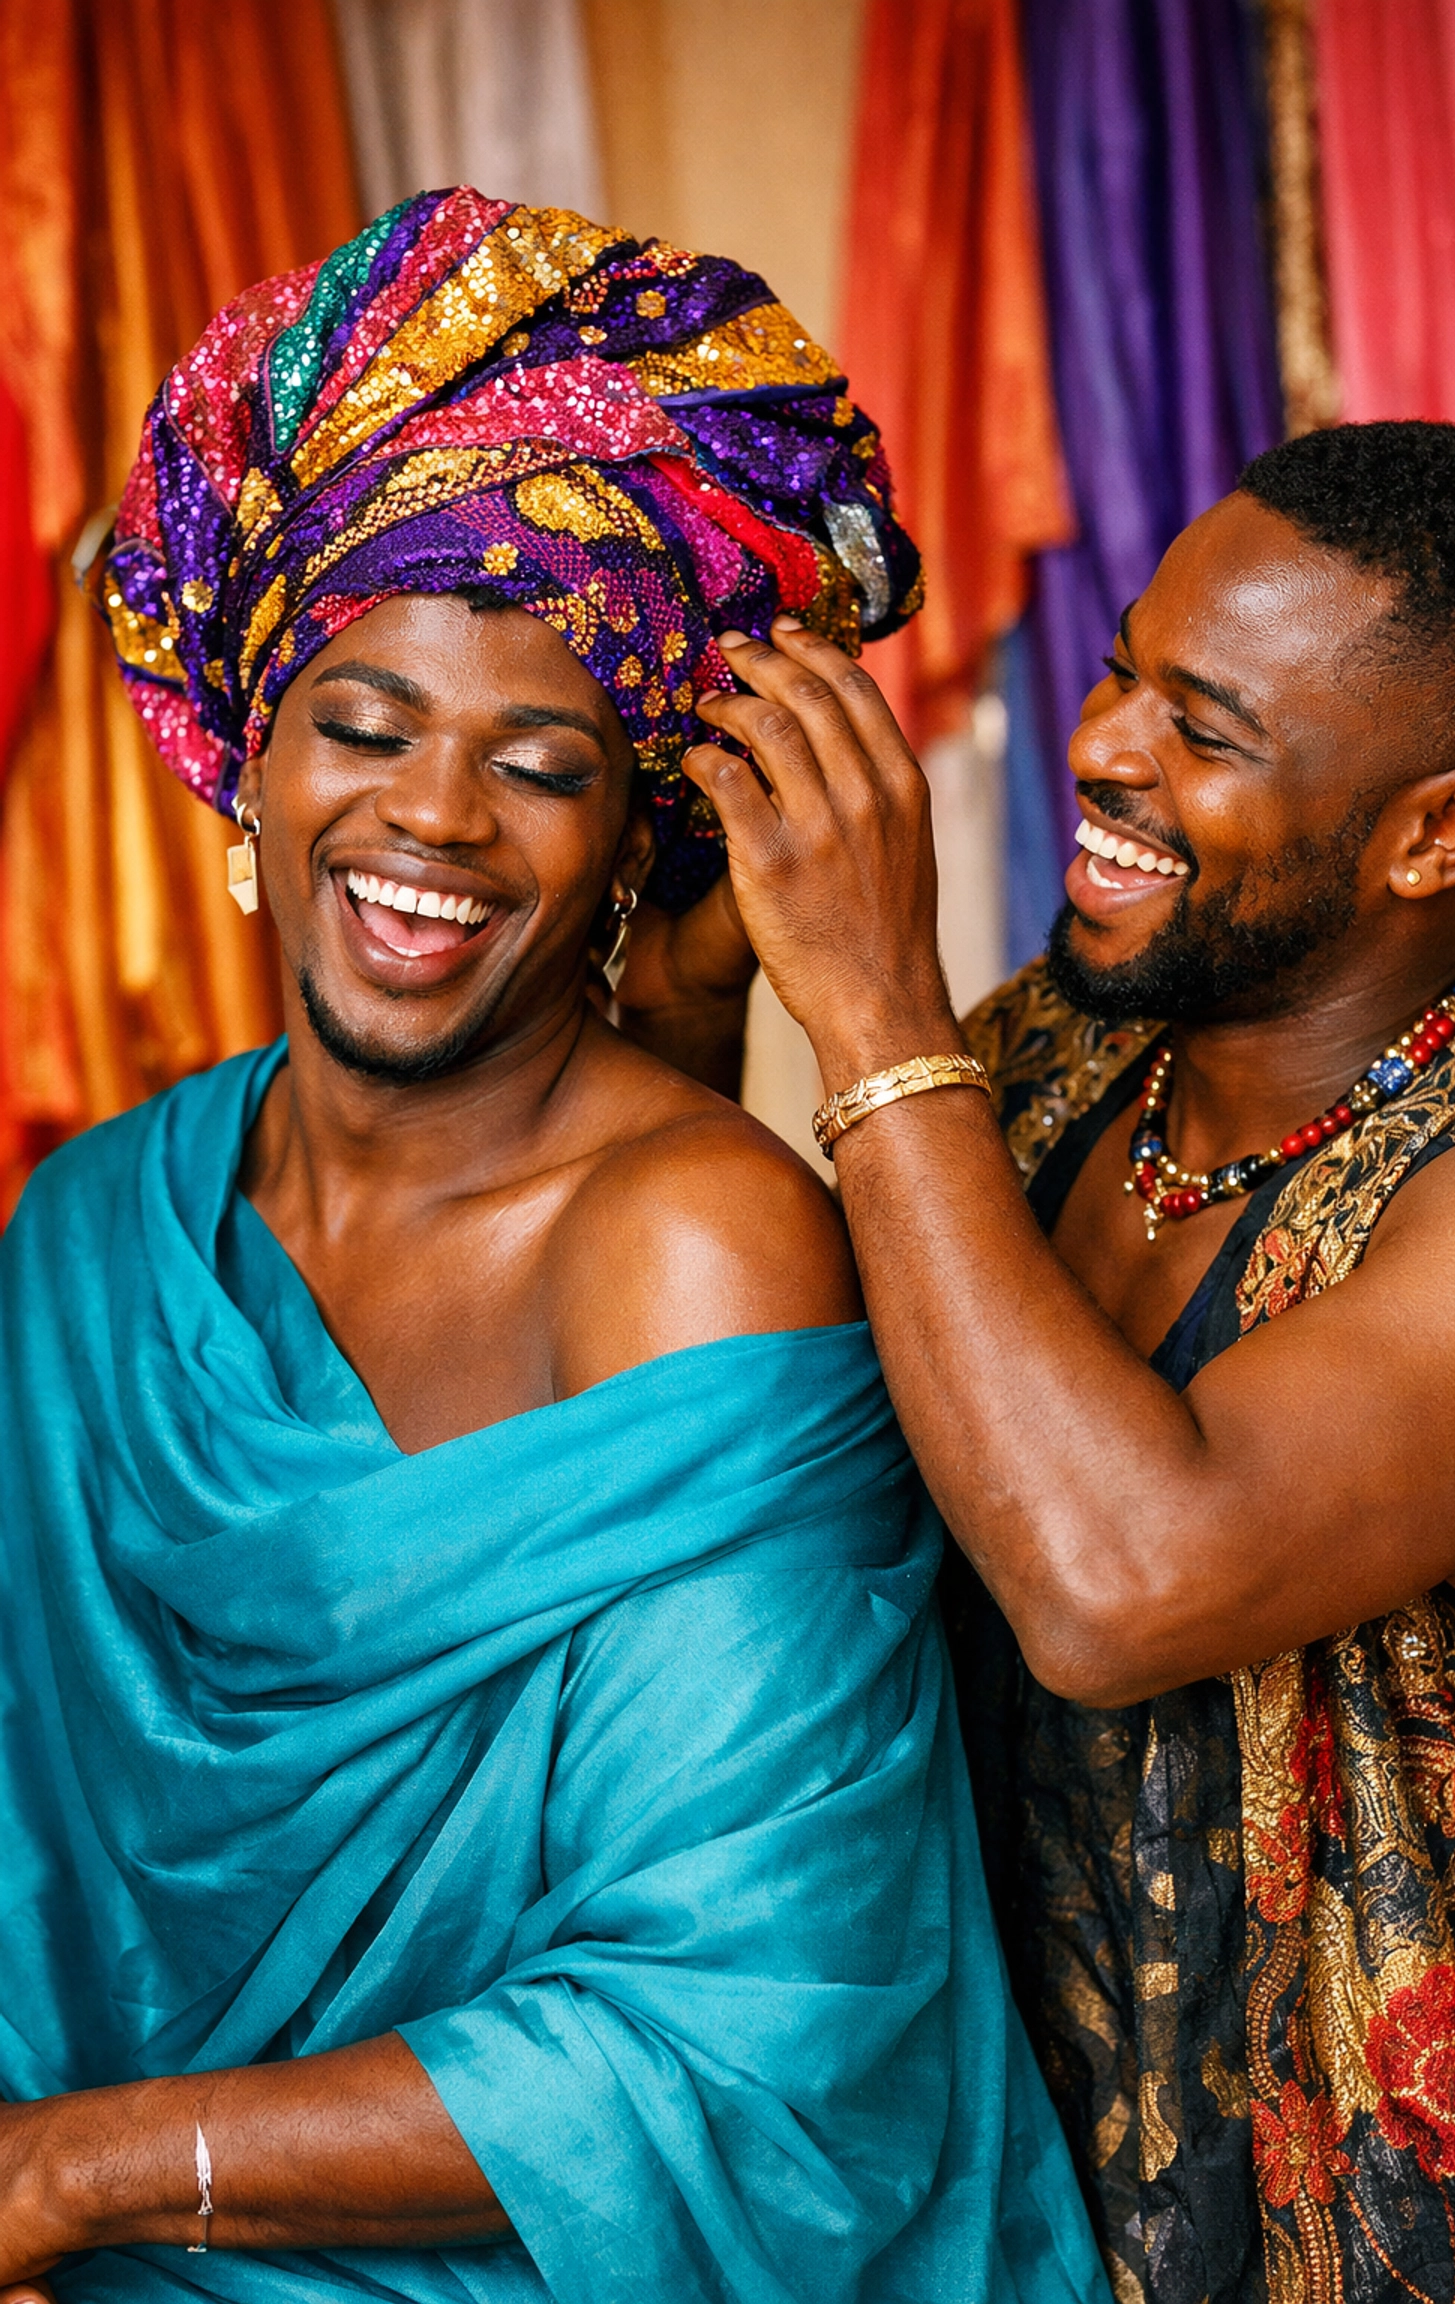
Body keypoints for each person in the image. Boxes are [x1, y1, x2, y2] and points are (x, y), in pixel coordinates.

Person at [0, 191, 1108, 2304]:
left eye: (539, 765)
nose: (432, 817)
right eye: (364, 726)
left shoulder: (689, 1248)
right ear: (250, 752)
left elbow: (745, 2042)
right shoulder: (91, 1240)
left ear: (629, 838)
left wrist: (68, 2176)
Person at [676, 419, 1455, 2304]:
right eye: (1121, 664)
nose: (1098, 747)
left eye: (1203, 732)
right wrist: (690, 949)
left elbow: (1116, 1583)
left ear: (1440, 833)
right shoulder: (1061, 1068)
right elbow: (768, 1417)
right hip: (1000, 2214)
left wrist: (880, 1016)